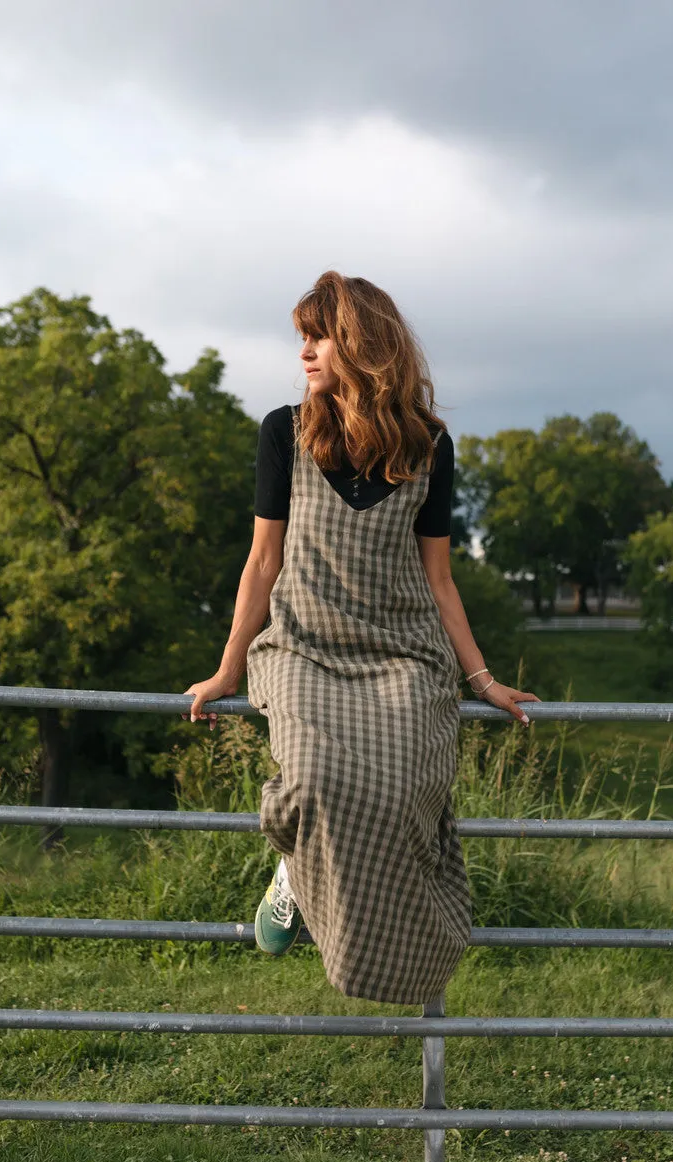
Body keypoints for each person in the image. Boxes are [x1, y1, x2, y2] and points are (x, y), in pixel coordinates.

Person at [184, 270, 539, 1006]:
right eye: (302, 340)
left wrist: (481, 680)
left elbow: (440, 580)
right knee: (312, 780)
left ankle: (343, 914)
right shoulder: (283, 431)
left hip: (402, 655)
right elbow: (262, 562)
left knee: (404, 786)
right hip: (303, 648)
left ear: (360, 344)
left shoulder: (429, 446)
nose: (305, 353)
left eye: (318, 338)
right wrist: (225, 671)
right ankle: (295, 866)